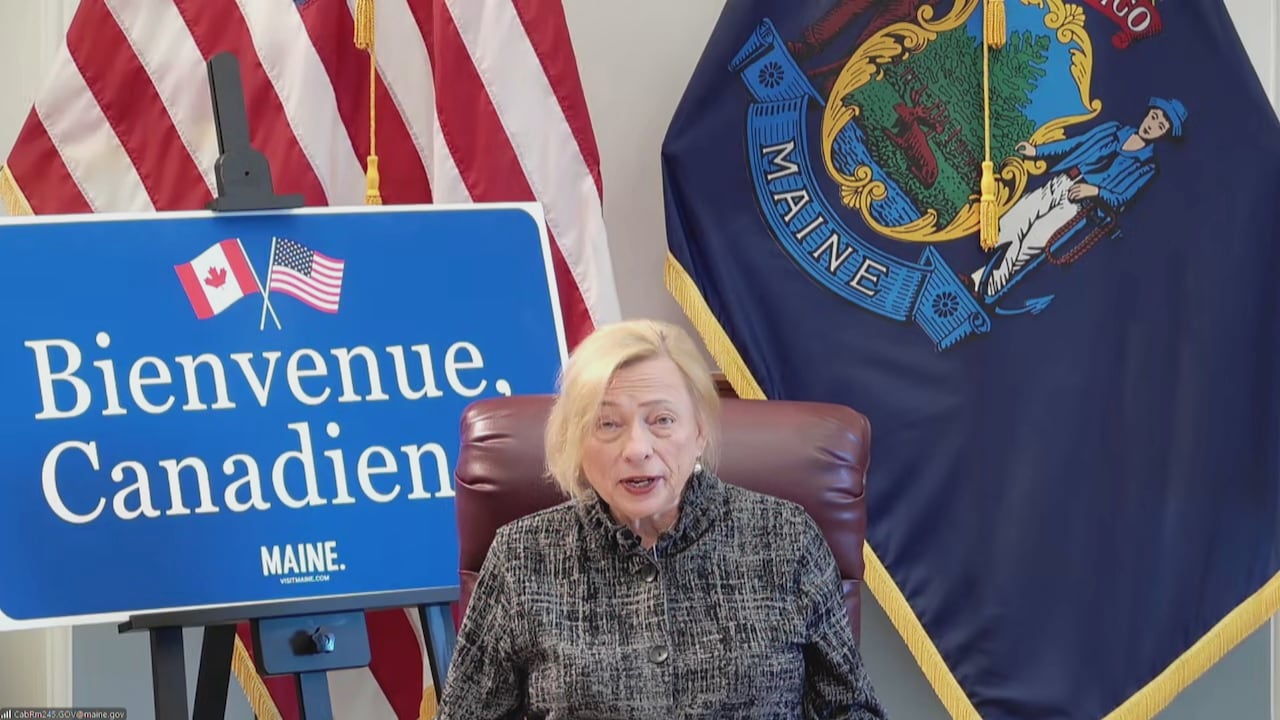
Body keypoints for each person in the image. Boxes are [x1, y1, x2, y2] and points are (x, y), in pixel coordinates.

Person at [435, 319, 889, 719]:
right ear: (575, 440)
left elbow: (849, 709)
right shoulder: (522, 556)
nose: (637, 448)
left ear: (699, 432)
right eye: (608, 424)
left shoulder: (785, 538)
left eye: (663, 420)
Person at [967, 96, 1187, 297]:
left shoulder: (1146, 167)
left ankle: (981, 287)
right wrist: (1037, 151)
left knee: (1029, 242)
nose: (1152, 125)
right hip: (1061, 182)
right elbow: (1077, 143)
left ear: (1165, 133)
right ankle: (970, 268)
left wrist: (1096, 191)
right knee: (1012, 222)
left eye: (1161, 125)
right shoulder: (1113, 130)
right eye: (1154, 116)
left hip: (1079, 207)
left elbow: (1122, 198)